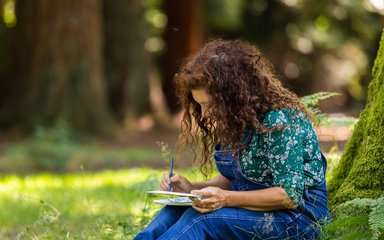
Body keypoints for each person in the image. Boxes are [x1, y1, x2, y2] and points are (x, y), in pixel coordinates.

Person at [134, 39, 330, 240]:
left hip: (296, 219)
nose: (204, 114)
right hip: (251, 209)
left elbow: (289, 196)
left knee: (202, 219)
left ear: (234, 96)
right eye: (199, 105)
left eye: (210, 105)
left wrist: (225, 199)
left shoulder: (279, 121)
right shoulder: (233, 121)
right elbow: (235, 179)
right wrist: (192, 188)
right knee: (174, 209)